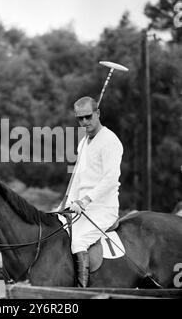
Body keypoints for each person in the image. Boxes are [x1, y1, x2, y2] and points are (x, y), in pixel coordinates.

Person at [61, 96, 123, 287]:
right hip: (81, 208)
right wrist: (67, 205)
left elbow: (110, 179)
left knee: (78, 241)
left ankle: (82, 292)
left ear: (98, 113)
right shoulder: (83, 143)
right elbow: (77, 179)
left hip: (103, 208)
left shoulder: (110, 141)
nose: (84, 122)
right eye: (80, 118)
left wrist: (85, 200)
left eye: (88, 116)